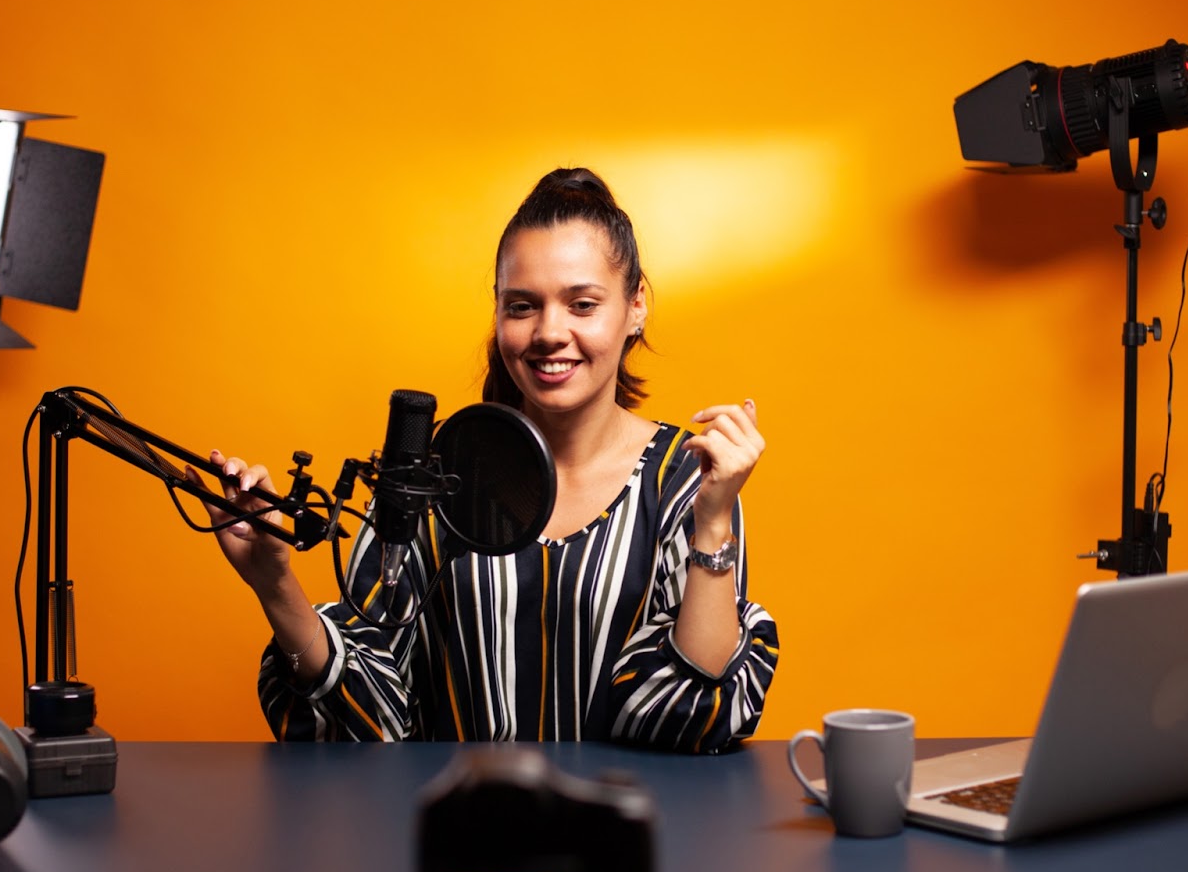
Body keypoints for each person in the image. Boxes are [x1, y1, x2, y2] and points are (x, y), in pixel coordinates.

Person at [198, 168, 777, 750]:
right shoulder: (438, 470)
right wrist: (274, 583)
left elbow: (696, 720)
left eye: (582, 304)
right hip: (459, 829)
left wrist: (714, 521)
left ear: (635, 307)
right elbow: (366, 711)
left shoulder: (686, 478)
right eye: (522, 306)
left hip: (628, 831)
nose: (550, 332)